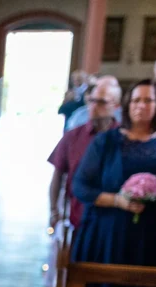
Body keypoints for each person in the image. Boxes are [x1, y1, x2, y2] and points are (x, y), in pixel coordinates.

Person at [72, 79, 156, 287]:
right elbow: (80, 186)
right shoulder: (107, 141)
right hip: (110, 234)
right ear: (126, 105)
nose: (141, 105)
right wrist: (117, 200)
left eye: (148, 100)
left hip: (153, 235)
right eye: (136, 100)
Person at [48, 80, 121, 232]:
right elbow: (58, 174)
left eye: (101, 102)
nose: (94, 106)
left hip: (114, 220)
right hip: (78, 217)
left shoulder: (124, 137)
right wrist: (54, 210)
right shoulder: (73, 136)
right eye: (92, 100)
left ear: (115, 105)